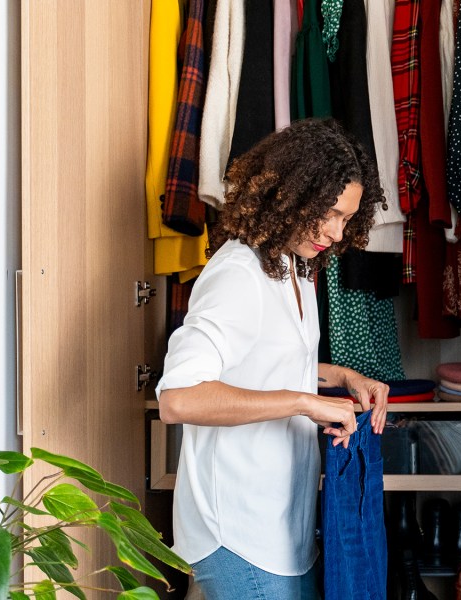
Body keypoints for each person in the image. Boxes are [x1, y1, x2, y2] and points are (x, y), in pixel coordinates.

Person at [157, 118, 391, 599]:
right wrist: (306, 402)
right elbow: (178, 398)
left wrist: (342, 376)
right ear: (291, 193)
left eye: (346, 218)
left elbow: (267, 357)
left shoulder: (295, 265)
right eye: (328, 212)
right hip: (237, 531)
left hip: (284, 527)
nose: (334, 230)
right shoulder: (239, 274)